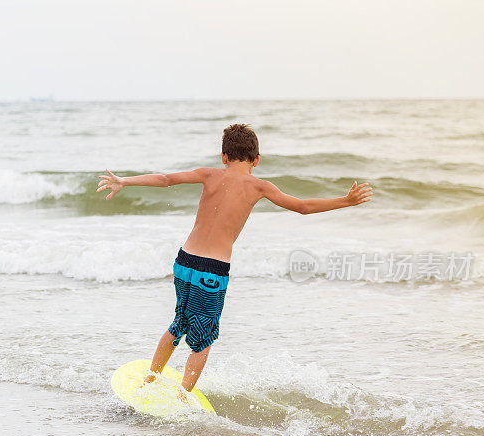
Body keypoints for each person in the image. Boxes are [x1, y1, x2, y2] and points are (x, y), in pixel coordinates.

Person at [96, 124, 373, 392]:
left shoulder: (209, 174)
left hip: (184, 262)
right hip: (212, 272)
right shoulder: (259, 187)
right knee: (202, 340)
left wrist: (124, 180)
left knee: (179, 321)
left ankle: (150, 381)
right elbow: (301, 207)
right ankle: (182, 395)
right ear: (257, 160)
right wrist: (345, 201)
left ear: (224, 156)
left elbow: (166, 180)